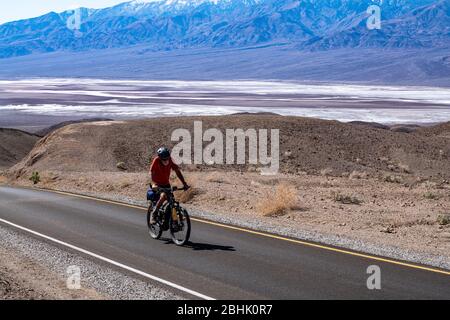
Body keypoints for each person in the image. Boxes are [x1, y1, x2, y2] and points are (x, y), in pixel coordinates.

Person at [148, 147, 189, 225]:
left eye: (167, 158)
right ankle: (154, 214)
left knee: (171, 199)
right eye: (164, 159)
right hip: (157, 184)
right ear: (160, 158)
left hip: (166, 184)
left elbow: (177, 171)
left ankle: (174, 217)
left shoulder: (170, 160)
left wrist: (184, 183)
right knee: (163, 196)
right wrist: (154, 184)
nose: (166, 160)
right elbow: (152, 173)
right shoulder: (156, 160)